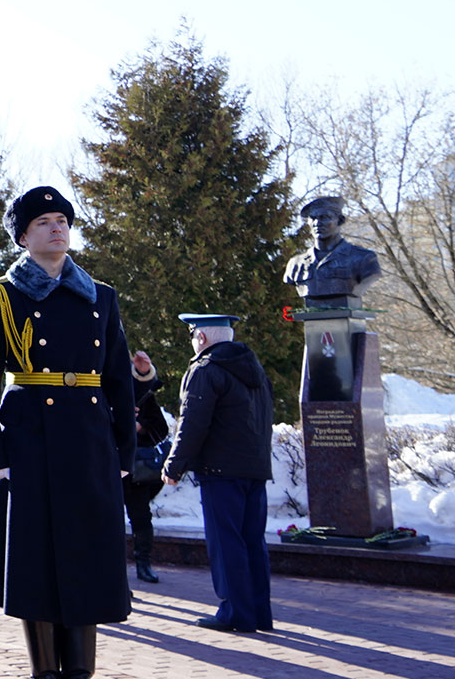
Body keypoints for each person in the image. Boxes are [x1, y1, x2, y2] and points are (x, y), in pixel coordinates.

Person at [0, 186, 135, 679]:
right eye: (42, 221)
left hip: (88, 442)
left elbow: (118, 377)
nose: (56, 228)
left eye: (62, 219)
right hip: (29, 442)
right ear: (22, 235)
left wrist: (124, 448)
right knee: (35, 562)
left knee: (87, 557)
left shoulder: (100, 295)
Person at [163, 314, 274, 633]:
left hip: (221, 469)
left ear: (202, 338)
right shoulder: (254, 367)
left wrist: (174, 465)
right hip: (254, 468)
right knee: (252, 542)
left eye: (192, 336)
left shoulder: (205, 369)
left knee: (226, 544)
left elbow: (193, 423)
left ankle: (235, 613)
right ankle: (258, 612)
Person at [282, 195, 382, 307]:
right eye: (313, 218)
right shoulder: (296, 264)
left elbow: (371, 276)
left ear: (340, 220)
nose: (317, 223)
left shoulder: (363, 258)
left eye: (324, 217)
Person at [123, 351, 168, 584]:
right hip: (105, 466)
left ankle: (144, 565)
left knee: (141, 518)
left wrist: (139, 426)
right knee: (105, 520)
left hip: (136, 470)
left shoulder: (144, 394)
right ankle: (113, 571)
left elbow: (161, 428)